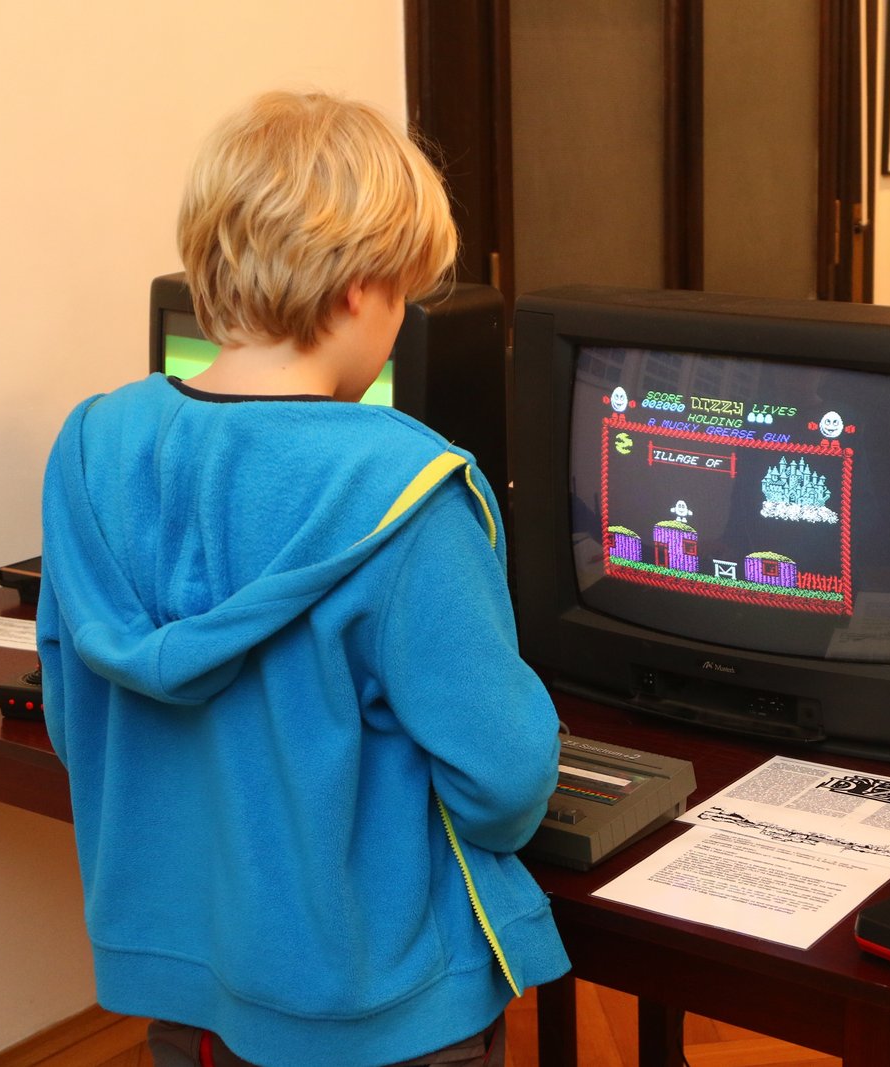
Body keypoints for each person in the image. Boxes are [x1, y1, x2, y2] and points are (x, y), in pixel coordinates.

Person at [37, 90, 569, 1067]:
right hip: (380, 1009)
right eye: (404, 294)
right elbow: (504, 775)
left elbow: (79, 724)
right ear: (360, 288)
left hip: (189, 988)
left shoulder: (89, 448)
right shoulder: (408, 489)